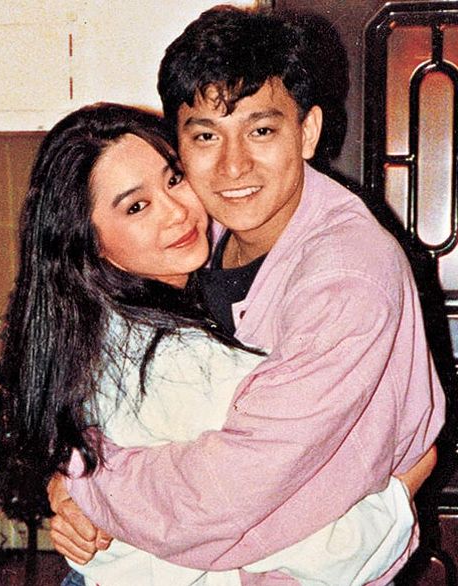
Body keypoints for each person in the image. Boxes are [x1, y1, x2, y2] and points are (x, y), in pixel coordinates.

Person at [48, 6, 446, 585]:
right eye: (206, 136)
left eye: (261, 131)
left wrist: (88, 483)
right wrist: (65, 478)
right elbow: (90, 384)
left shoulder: (346, 279)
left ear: (306, 132)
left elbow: (226, 492)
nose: (233, 166)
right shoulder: (194, 233)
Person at [0, 102, 421, 586]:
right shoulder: (178, 361)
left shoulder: (84, 327)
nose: (177, 212)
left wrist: (74, 480)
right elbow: (318, 545)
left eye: (173, 179)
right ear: (89, 241)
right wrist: (399, 492)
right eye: (136, 207)